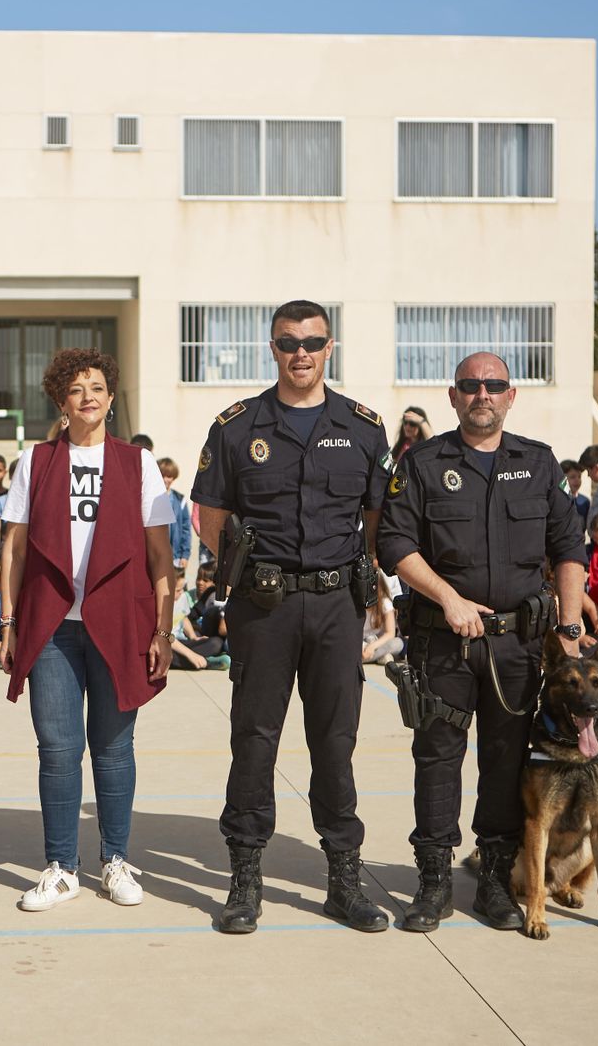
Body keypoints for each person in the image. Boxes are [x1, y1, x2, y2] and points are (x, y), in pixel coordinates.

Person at [191, 299, 394, 934]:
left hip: (337, 605)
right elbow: (210, 517)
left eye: (311, 341)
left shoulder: (363, 427)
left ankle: (343, 880)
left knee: (335, 743)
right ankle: (245, 881)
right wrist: (245, 571)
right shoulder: (236, 425)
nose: (299, 352)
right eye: (287, 342)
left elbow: (375, 517)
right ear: (272, 348)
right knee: (254, 741)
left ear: (329, 347)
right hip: (264, 605)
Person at [377, 351, 587, 933]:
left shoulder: (539, 464)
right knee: (438, 758)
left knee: (504, 761)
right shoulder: (422, 463)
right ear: (453, 396)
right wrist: (448, 597)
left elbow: (570, 547)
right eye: (470, 386)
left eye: (493, 385)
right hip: (442, 642)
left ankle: (494, 879)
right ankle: (433, 880)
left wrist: (569, 628)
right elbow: (394, 544)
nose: (482, 395)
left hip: (518, 647)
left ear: (511, 396)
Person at [0, 347, 175, 911]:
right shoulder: (37, 460)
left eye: (98, 386)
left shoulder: (138, 464)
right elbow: (15, 549)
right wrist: (8, 622)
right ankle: (61, 867)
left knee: (114, 748)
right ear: (61, 400)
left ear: (111, 398)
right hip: (52, 625)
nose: (89, 396)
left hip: (119, 622)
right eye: (77, 389)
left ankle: (115, 861)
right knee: (57, 748)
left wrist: (163, 630)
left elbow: (160, 557)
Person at [159, 457, 193, 581]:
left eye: (169, 476)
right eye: (162, 475)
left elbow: (186, 529)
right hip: (157, 555)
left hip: (176, 556)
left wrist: (185, 555)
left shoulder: (180, 500)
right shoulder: (151, 498)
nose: (165, 479)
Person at [361, 573, 402, 664]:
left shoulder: (385, 603)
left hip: (378, 643)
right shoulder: (355, 603)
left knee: (398, 643)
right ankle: (379, 656)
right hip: (360, 643)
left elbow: (390, 633)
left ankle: (363, 659)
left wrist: (372, 647)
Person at [560, 460, 590, 525]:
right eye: (572, 477)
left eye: (579, 476)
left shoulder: (585, 501)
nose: (577, 480)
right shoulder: (557, 500)